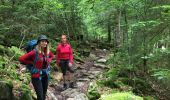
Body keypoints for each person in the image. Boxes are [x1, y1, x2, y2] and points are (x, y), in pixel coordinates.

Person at [19, 35, 54, 100]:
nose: (45, 43)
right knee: (40, 96)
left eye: (46, 42)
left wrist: (49, 60)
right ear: (39, 43)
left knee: (43, 95)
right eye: (43, 41)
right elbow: (21, 59)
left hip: (45, 75)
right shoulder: (34, 52)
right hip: (36, 76)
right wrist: (32, 62)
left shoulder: (47, 52)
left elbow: (52, 56)